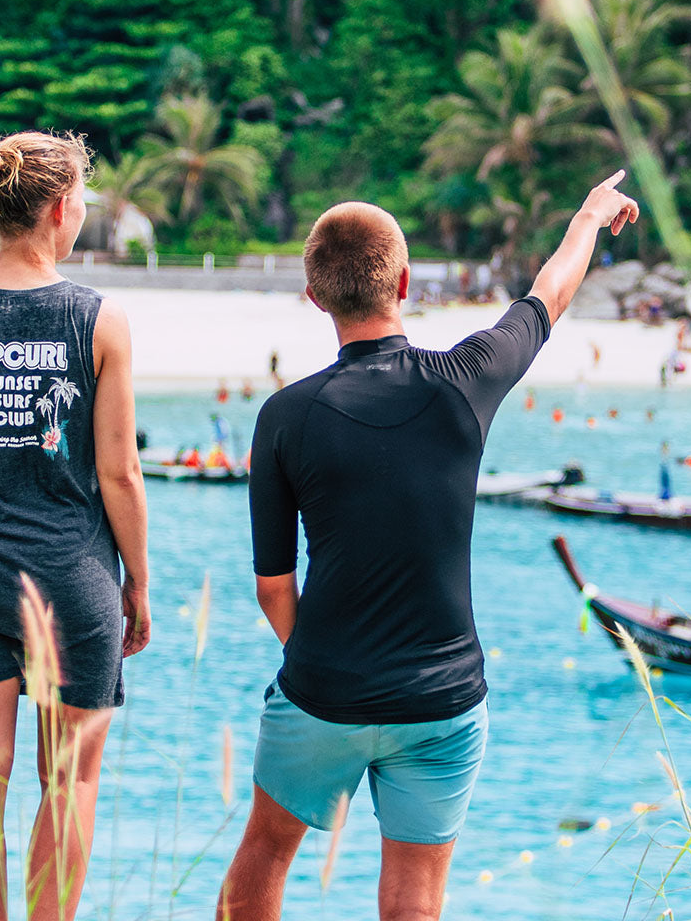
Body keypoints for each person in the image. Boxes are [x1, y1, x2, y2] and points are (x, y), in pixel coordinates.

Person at [216, 170, 638, 921]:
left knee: (263, 862)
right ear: (405, 282)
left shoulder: (285, 416)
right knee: (415, 901)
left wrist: (318, 666)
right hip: (441, 698)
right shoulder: (464, 381)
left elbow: (273, 587)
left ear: (315, 297)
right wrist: (588, 215)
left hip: (323, 691)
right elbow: (547, 298)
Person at [0, 131, 150, 921]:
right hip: (72, 579)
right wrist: (137, 582)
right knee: (69, 779)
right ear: (59, 209)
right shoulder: (100, 321)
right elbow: (119, 474)